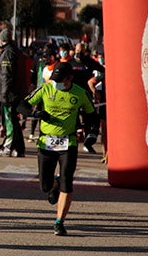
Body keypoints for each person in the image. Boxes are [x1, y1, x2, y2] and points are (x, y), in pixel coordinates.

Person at [21, 62, 96, 236]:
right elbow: (22, 105)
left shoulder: (79, 93)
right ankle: (53, 185)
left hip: (68, 144)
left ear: (70, 78)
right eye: (54, 80)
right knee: (45, 185)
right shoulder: (46, 89)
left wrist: (86, 128)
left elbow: (92, 115)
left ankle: (59, 221)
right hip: (46, 143)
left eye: (60, 80)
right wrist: (35, 113)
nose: (56, 83)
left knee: (67, 181)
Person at [0, 28, 27, 157]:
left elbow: (6, 75)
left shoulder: (7, 53)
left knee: (9, 121)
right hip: (16, 92)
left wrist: (4, 94)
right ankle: (19, 148)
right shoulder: (17, 52)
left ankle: (8, 146)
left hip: (9, 94)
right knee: (14, 121)